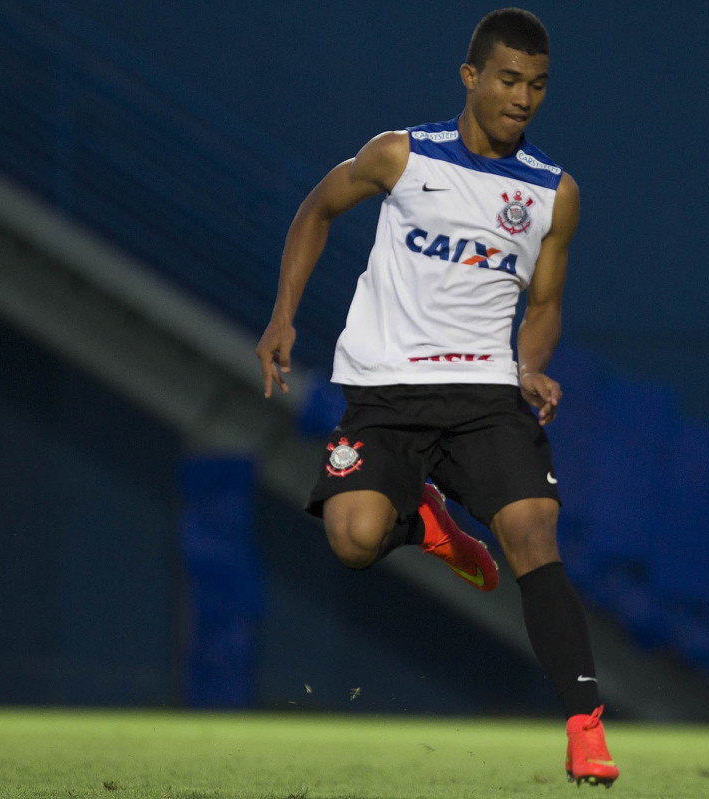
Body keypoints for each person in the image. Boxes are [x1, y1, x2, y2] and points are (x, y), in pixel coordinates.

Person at [255, 7, 618, 788]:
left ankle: (585, 725)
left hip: (483, 395)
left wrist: (528, 362)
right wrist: (283, 314)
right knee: (353, 538)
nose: (524, 98)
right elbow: (317, 208)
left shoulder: (554, 194)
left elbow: (545, 303)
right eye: (510, 80)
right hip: (384, 396)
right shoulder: (401, 155)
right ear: (472, 77)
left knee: (533, 530)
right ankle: (423, 521)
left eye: (539, 85)